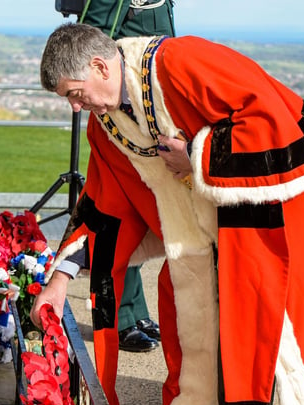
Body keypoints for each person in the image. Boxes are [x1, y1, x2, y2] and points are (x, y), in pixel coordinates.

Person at [32, 23, 304, 405]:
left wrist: (196, 158)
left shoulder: (180, 61)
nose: (76, 107)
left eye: (75, 93)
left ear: (100, 67)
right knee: (180, 298)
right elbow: (104, 205)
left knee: (255, 308)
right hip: (200, 234)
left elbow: (267, 117)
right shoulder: (107, 125)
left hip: (269, 206)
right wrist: (59, 280)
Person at [77, 0, 175, 354]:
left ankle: (135, 312)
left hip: (150, 113)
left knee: (143, 210)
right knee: (119, 212)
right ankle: (117, 316)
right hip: (120, 113)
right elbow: (88, 38)